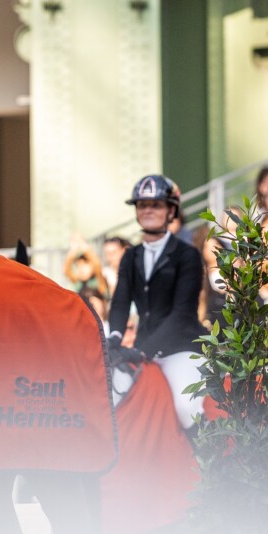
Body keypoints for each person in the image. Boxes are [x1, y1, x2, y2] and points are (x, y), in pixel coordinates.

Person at [106, 175, 208, 428]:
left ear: (171, 210)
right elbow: (120, 301)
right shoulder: (131, 256)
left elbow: (182, 313)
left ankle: (212, 462)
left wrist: (144, 350)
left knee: (186, 407)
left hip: (181, 350)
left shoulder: (188, 255)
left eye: (156, 204)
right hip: (143, 348)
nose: (148, 210)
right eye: (142, 205)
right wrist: (115, 336)